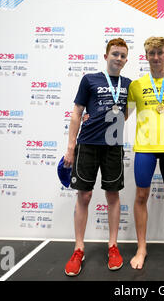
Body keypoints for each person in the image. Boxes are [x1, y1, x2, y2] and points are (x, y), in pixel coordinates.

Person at [63, 38, 131, 276]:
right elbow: (76, 113)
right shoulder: (89, 79)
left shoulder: (128, 84)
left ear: (126, 59)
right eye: (115, 54)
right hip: (87, 144)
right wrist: (70, 147)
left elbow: (126, 112)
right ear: (105, 56)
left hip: (113, 145)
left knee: (113, 194)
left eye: (123, 55)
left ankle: (113, 246)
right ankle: (78, 249)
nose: (119, 58)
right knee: (85, 195)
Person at [126, 36, 164, 269]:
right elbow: (122, 117)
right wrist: (94, 121)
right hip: (144, 149)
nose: (156, 57)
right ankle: (142, 248)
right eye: (151, 53)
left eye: (160, 52)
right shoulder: (136, 86)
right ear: (146, 56)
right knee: (141, 197)